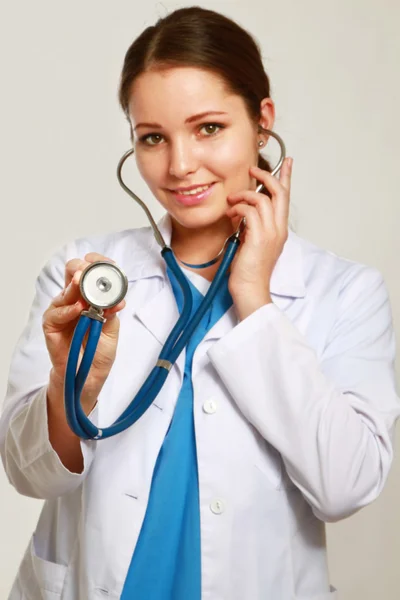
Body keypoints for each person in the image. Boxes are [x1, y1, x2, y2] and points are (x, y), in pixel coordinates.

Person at [1, 6, 399, 600]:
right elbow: (27, 472)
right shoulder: (86, 271)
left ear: (262, 120)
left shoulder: (344, 292)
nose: (180, 165)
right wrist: (71, 385)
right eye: (153, 138)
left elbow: (345, 486)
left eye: (208, 127)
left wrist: (256, 300)